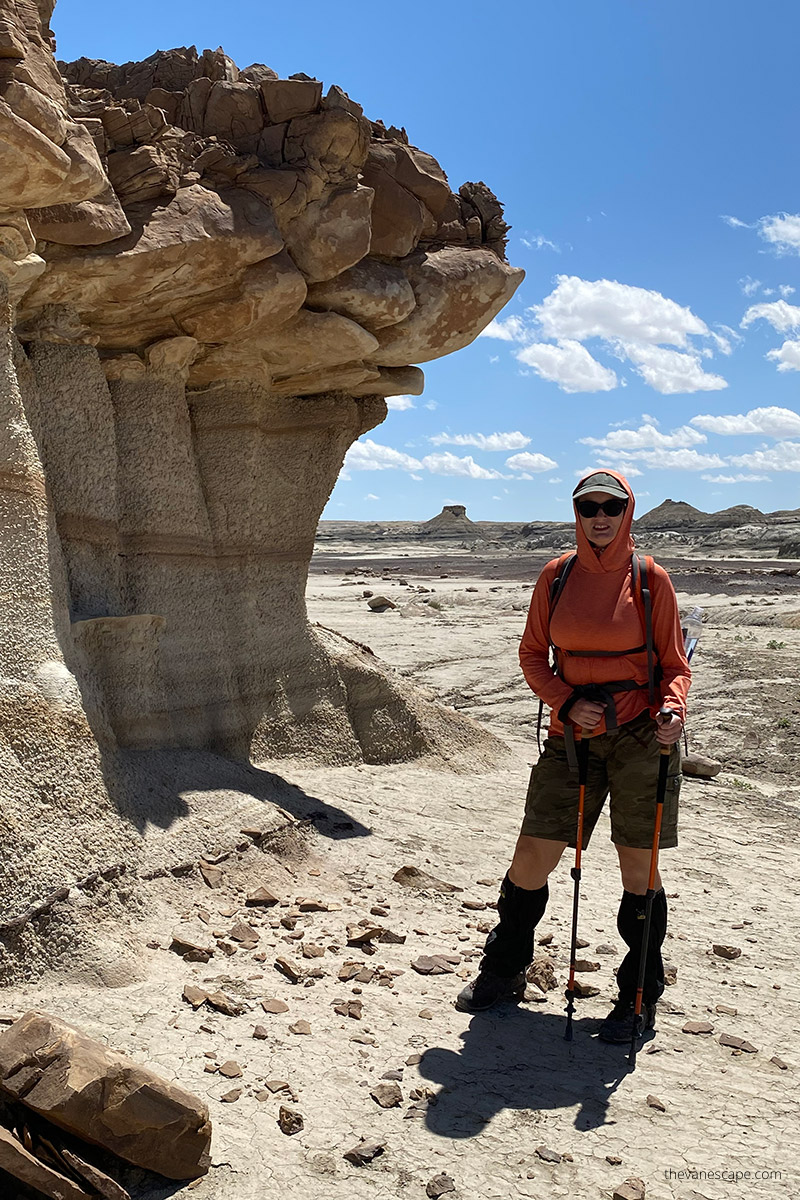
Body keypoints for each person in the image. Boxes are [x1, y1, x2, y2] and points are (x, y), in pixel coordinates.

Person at [456, 470, 691, 1042]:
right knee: (533, 855)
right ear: (577, 514)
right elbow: (534, 654)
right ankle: (504, 968)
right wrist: (565, 702)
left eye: (611, 506)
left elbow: (675, 665)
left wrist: (672, 712)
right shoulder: (555, 576)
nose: (600, 516)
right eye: (589, 507)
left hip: (640, 737)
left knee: (639, 869)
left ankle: (638, 995)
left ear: (627, 511)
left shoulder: (650, 579)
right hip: (572, 737)